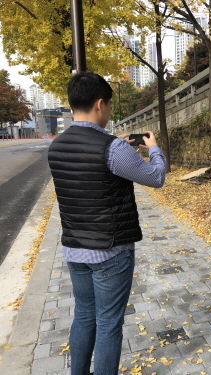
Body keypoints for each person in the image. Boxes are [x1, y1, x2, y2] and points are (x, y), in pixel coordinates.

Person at [48, 72, 166, 375]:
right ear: (100, 103)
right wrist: (153, 149)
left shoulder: (56, 146)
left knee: (84, 315)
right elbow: (156, 178)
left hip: (75, 249)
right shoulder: (114, 149)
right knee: (109, 324)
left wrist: (120, 146)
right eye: (109, 105)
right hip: (110, 251)